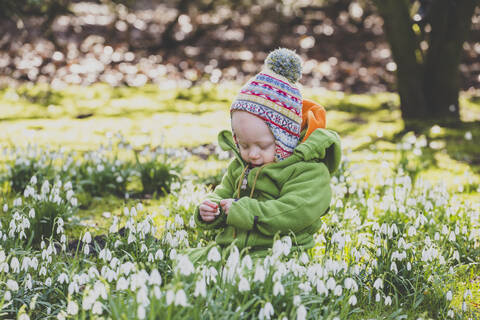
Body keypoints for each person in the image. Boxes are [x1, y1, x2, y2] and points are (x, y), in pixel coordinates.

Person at [192, 48, 341, 260]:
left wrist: (244, 211)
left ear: (285, 139)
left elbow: (294, 212)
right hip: (230, 250)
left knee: (246, 280)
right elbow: (224, 192)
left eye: (262, 146)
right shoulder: (241, 166)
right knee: (188, 264)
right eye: (243, 145)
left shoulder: (307, 171)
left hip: (277, 255)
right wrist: (211, 208)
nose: (252, 154)